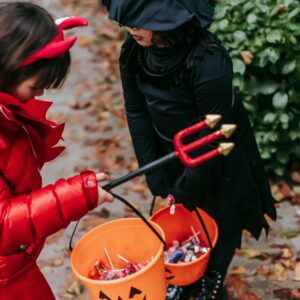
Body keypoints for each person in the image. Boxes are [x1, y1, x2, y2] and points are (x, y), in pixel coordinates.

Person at [100, 0, 277, 299]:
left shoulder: (208, 59)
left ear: (168, 19)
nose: (130, 28)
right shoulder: (133, 52)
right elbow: (137, 111)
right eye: (128, 20)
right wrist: (152, 167)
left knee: (221, 212)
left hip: (215, 147)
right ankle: (187, 274)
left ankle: (214, 274)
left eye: (141, 20)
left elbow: (212, 130)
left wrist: (192, 181)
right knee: (182, 215)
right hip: (168, 147)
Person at [0, 2, 114, 299]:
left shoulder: (7, 112)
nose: (39, 94)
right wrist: (75, 196)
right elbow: (3, 222)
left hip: (15, 264)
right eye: (36, 85)